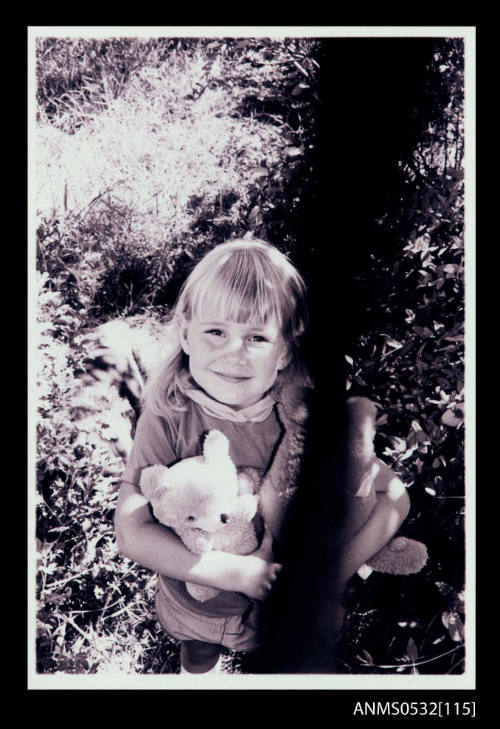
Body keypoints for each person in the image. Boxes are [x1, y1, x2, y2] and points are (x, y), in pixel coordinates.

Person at [114, 238, 410, 674]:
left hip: (284, 613)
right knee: (198, 650)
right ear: (186, 334)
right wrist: (237, 574)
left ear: (285, 349)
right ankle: (200, 666)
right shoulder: (169, 415)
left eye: (257, 336)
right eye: (216, 331)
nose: (235, 353)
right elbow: (131, 530)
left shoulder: (303, 419)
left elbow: (394, 495)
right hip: (197, 598)